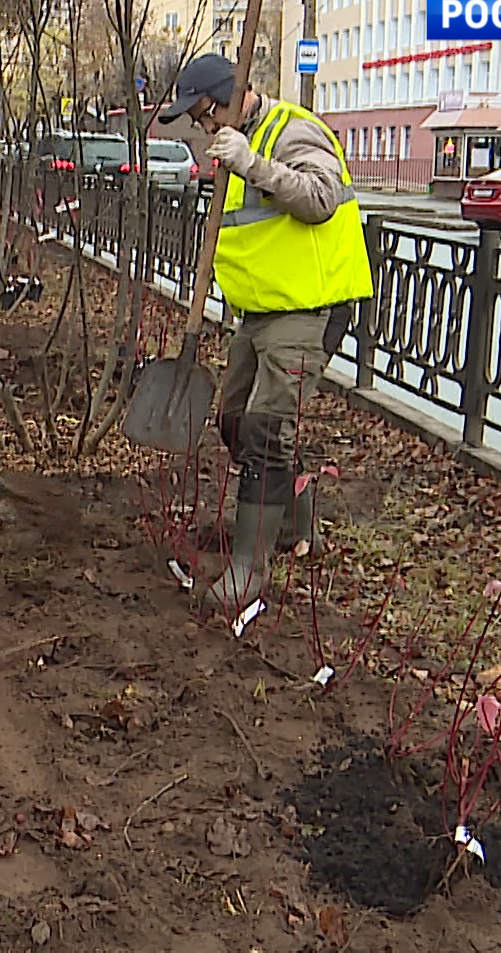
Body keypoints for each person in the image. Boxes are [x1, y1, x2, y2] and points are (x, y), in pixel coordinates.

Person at [156, 54, 373, 609]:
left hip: (311, 306)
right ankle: (297, 526)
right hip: (263, 312)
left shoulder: (293, 131)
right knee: (234, 419)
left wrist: (254, 163)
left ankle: (251, 568)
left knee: (266, 428)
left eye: (205, 113)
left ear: (233, 94)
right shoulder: (234, 143)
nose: (203, 126)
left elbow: (320, 200)